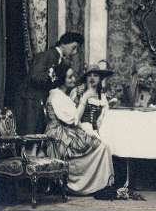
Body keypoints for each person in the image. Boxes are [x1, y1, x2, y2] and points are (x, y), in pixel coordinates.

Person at [44, 63, 114, 195]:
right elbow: (74, 120)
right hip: (60, 135)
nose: (73, 79)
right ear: (61, 79)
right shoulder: (57, 96)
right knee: (100, 147)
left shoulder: (62, 95)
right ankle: (91, 185)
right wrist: (85, 98)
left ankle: (102, 183)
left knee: (102, 145)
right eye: (69, 77)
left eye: (73, 76)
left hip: (68, 129)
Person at [15, 32, 83, 135]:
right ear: (64, 43)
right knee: (30, 136)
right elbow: (35, 76)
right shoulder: (47, 55)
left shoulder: (60, 60)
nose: (74, 52)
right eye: (73, 47)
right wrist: (54, 75)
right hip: (31, 101)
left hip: (42, 102)